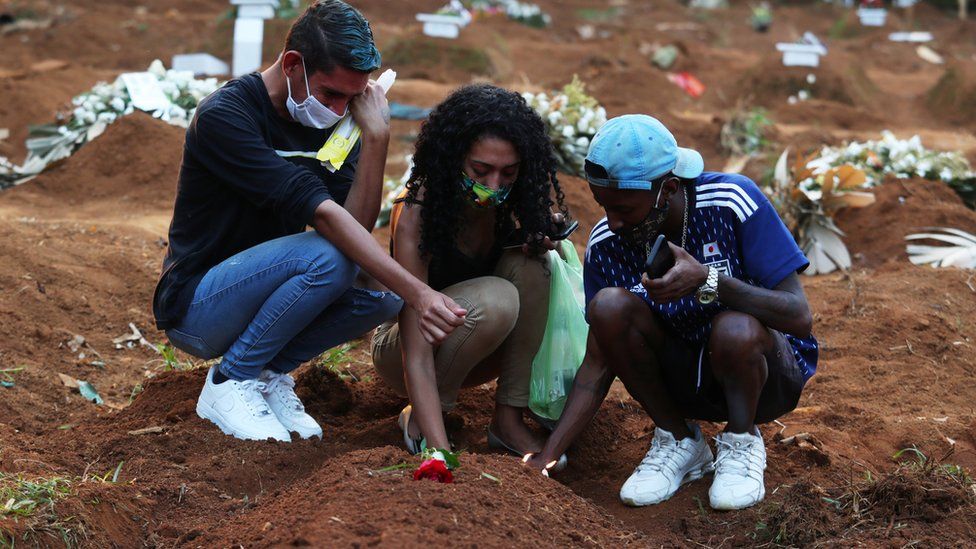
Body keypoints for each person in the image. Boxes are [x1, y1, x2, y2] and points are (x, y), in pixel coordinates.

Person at [152, 0, 466, 443]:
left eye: (352, 98)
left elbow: (353, 227)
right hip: (197, 305)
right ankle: (230, 381)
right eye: (331, 94)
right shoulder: (227, 116)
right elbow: (323, 217)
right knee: (332, 258)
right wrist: (418, 292)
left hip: (261, 292)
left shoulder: (334, 123)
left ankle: (267, 373)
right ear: (293, 64)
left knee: (378, 294)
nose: (339, 109)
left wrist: (374, 137)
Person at [524, 115, 818, 511]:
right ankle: (680, 440)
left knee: (733, 328)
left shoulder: (731, 202)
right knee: (609, 306)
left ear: (669, 189)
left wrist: (708, 281)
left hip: (764, 376)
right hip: (681, 383)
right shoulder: (607, 244)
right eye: (604, 206)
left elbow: (798, 316)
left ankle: (741, 443)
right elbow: (598, 361)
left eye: (625, 208)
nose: (613, 222)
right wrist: (549, 453)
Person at [371, 84, 572, 461]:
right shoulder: (417, 212)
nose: (493, 186)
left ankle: (507, 421)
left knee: (534, 265)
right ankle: (424, 419)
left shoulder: (511, 204)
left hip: (477, 347)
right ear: (452, 159)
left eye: (508, 173)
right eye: (481, 170)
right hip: (404, 351)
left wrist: (541, 232)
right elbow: (415, 349)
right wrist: (439, 451)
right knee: (497, 299)